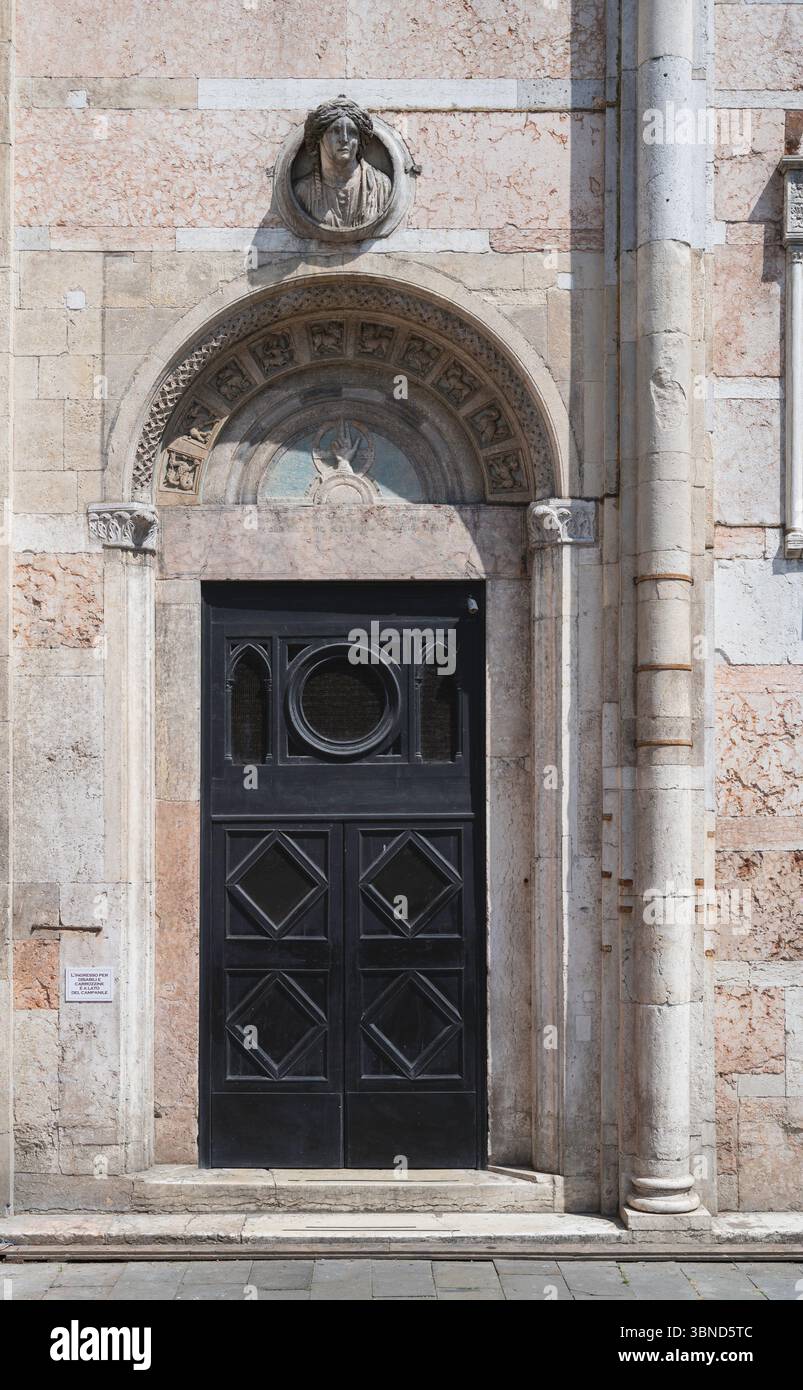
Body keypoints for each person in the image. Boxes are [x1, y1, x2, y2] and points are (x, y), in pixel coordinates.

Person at [293, 97, 392, 230]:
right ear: (319, 138)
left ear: (359, 140)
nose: (344, 139)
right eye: (335, 131)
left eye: (352, 132)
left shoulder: (381, 186)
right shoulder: (303, 191)